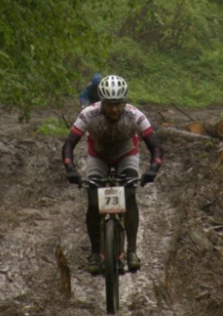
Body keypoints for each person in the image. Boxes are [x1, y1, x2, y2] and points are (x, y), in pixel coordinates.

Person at [62, 74, 163, 274]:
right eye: (109, 104)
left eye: (118, 104)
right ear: (102, 102)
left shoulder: (135, 115)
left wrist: (153, 168)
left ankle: (132, 251)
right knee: (93, 202)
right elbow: (69, 145)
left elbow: (155, 146)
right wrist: (70, 169)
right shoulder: (89, 114)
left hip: (126, 155)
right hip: (98, 156)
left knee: (130, 195)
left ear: (125, 102)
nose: (114, 109)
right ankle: (94, 252)